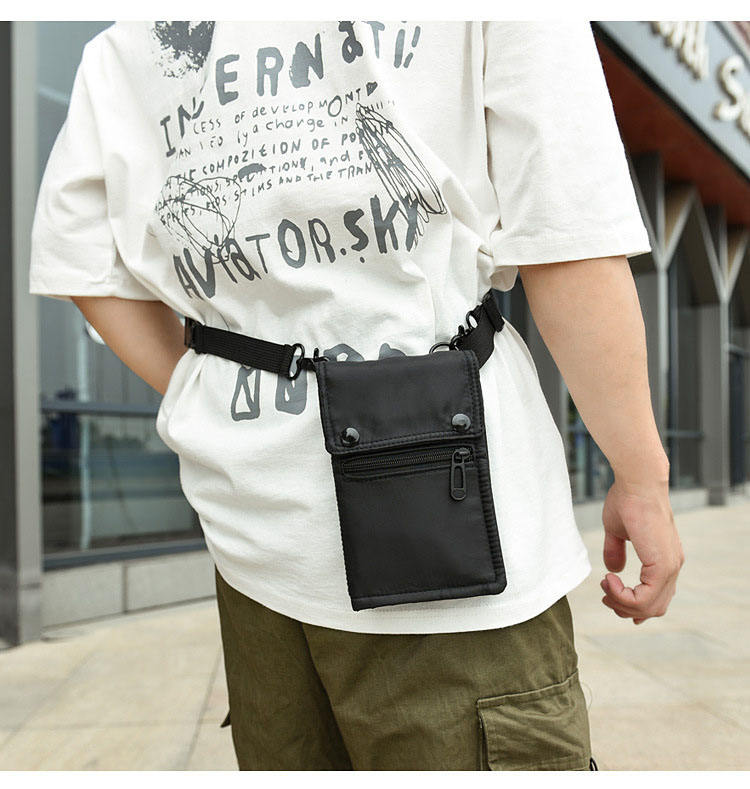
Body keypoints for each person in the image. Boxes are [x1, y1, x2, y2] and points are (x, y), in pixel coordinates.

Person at [28, 20, 684, 770]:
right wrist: (641, 477)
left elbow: (84, 263)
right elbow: (568, 244)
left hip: (255, 535)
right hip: (455, 534)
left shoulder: (127, 40)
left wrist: (216, 380)